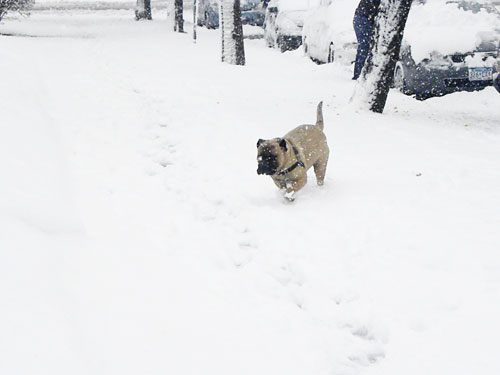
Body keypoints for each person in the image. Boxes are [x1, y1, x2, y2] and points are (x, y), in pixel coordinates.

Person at [353, 0, 381, 80]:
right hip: (363, 19)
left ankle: (361, 73)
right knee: (365, 47)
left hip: (361, 18)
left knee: (364, 47)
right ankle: (359, 74)